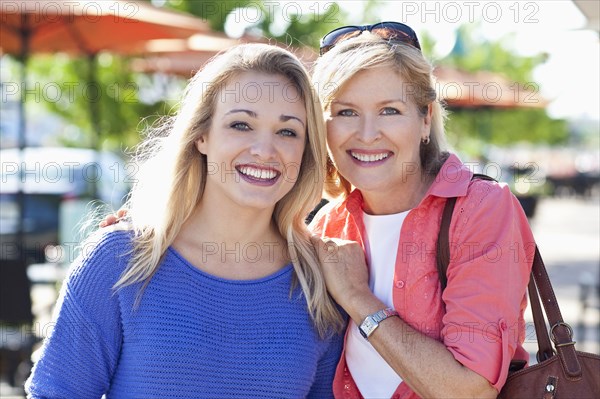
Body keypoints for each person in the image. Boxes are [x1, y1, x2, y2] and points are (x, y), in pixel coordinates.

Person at [25, 43, 345, 398]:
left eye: (288, 131)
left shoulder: (318, 282)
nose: (264, 150)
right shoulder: (120, 259)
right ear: (201, 135)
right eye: (241, 124)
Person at [307, 22, 536, 399]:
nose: (367, 134)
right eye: (345, 112)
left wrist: (359, 299)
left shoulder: (480, 209)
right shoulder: (326, 225)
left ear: (426, 117)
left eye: (389, 110)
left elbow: (469, 390)